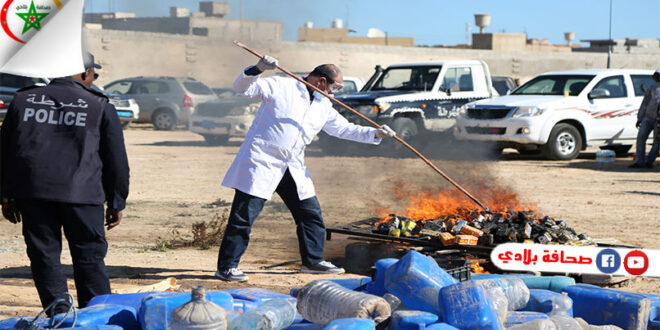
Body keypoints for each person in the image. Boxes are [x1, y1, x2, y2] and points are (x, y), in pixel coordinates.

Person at [215, 56, 396, 282]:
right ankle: (227, 267)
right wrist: (258, 68)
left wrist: (375, 133)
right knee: (243, 217)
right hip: (261, 161)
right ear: (321, 81)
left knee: (310, 214)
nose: (335, 93)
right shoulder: (282, 85)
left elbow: (343, 129)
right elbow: (242, 87)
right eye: (335, 87)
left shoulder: (323, 104)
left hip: (292, 165)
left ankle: (312, 261)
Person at [0, 52, 129, 314]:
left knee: (44, 257)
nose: (94, 80)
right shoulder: (99, 105)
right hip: (83, 196)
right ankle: (96, 317)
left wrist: (5, 195)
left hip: (33, 194)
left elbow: (5, 152)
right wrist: (117, 201)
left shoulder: (23, 100)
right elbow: (116, 159)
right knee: (89, 259)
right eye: (95, 74)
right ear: (84, 73)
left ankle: (58, 316)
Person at [630, 69, 660, 169]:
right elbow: (645, 103)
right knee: (641, 138)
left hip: (659, 120)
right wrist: (640, 118)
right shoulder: (652, 88)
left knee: (657, 141)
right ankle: (639, 162)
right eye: (657, 76)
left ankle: (649, 161)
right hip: (648, 117)